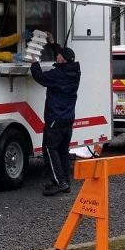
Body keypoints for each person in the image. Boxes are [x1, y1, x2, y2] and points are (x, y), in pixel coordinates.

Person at [30, 47, 81, 196]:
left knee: (50, 150)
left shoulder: (58, 74)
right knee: (62, 151)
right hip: (68, 119)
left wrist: (34, 62)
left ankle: (60, 183)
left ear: (62, 59)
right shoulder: (75, 72)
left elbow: (40, 77)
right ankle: (65, 181)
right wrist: (53, 44)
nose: (56, 56)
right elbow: (63, 54)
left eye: (58, 54)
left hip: (55, 119)